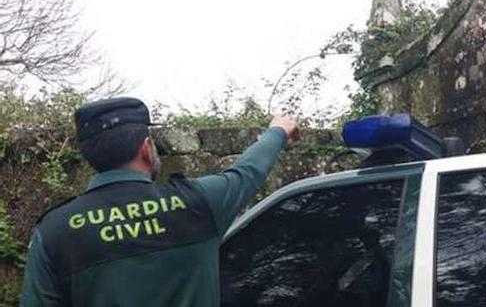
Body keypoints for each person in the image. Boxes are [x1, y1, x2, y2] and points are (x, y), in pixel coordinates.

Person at [20, 97, 300, 306]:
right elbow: (248, 171)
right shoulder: (198, 204)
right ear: (145, 148)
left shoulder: (54, 231)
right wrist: (278, 129)